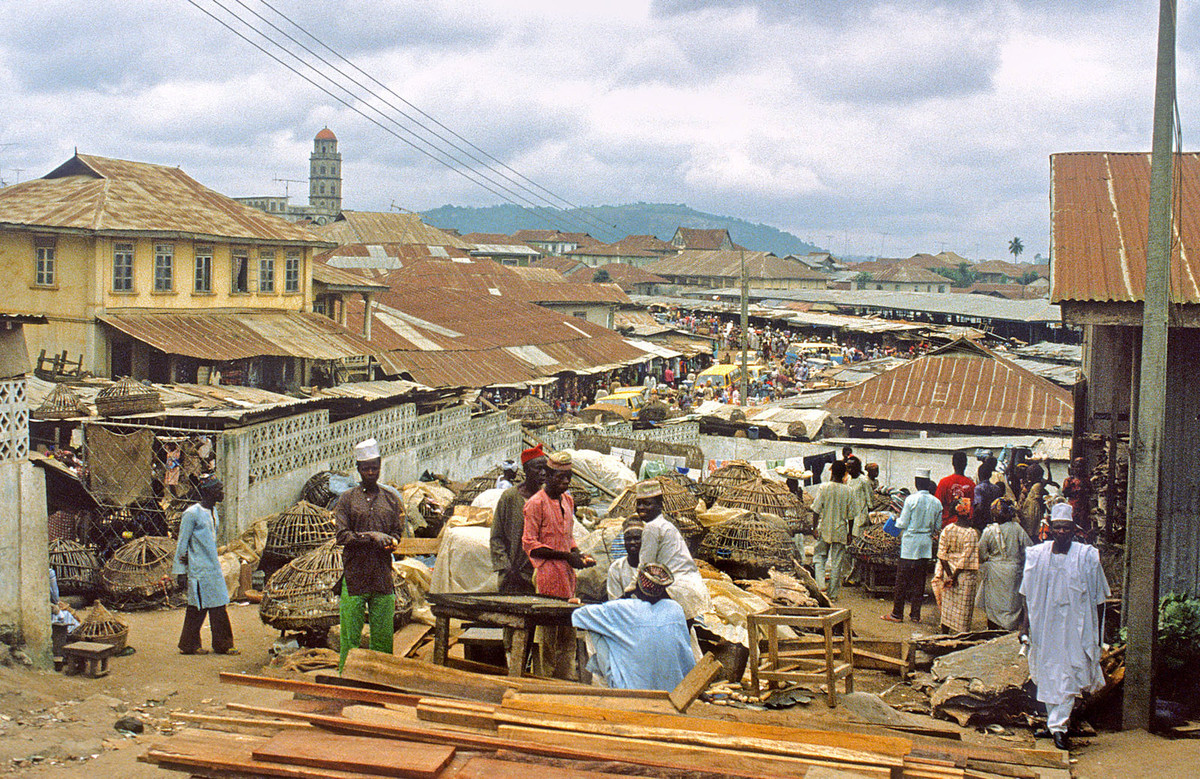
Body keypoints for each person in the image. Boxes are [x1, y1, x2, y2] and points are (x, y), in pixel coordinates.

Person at [1020, 504, 1110, 750]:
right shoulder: (1037, 555)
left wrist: (1098, 634)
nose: (1061, 532)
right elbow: (1027, 595)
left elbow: (1100, 599)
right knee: (1048, 675)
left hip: (1076, 628)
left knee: (1069, 674)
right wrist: (1024, 627)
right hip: (1045, 626)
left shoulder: (1087, 557)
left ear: (1073, 529)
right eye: (1057, 527)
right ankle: (1055, 724)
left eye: (1066, 528)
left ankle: (1059, 727)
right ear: (1050, 528)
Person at [522, 450, 595, 678]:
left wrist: (577, 554)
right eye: (560, 477)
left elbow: (567, 537)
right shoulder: (536, 504)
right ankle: (544, 680)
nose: (565, 482)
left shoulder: (568, 500)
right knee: (547, 636)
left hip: (567, 575)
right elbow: (530, 545)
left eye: (568, 477)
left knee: (567, 634)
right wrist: (565, 556)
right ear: (548, 475)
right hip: (547, 575)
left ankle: (565, 679)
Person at [334, 438, 404, 672]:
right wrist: (372, 536)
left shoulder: (391, 499)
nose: (371, 472)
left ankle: (380, 680)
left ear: (380, 466)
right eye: (366, 468)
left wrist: (391, 542)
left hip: (382, 577)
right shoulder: (347, 499)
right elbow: (342, 536)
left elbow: (397, 532)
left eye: (374, 467)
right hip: (354, 577)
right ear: (358, 469)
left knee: (383, 638)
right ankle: (347, 679)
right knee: (350, 638)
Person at [573, 563, 696, 690]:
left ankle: (610, 681)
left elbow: (579, 615)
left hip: (629, 688)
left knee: (598, 629)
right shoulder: (675, 609)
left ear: (637, 585)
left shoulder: (624, 607)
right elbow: (686, 655)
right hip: (673, 688)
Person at [173, 476, 238, 655]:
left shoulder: (213, 511)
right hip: (198, 570)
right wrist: (181, 572)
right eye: (219, 490)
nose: (222, 493)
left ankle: (222, 645)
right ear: (209, 492)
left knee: (218, 605)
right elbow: (182, 543)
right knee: (197, 607)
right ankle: (189, 645)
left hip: (213, 568)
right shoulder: (192, 514)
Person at [635, 480, 711, 620]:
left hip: (676, 590)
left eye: (647, 503)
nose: (641, 508)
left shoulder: (652, 528)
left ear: (659, 505)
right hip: (692, 588)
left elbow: (645, 568)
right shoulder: (665, 525)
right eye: (638, 503)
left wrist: (627, 593)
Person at [882, 468, 942, 624]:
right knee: (919, 581)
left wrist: (894, 520)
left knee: (902, 580)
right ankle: (915, 614)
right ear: (928, 483)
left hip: (910, 543)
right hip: (925, 544)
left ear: (916, 483)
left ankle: (897, 614)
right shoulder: (937, 503)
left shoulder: (911, 500)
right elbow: (937, 527)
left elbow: (903, 523)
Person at [490, 445, 546, 595]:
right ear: (526, 470)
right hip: (513, 575)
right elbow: (496, 536)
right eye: (538, 469)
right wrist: (505, 566)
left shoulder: (547, 499)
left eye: (545, 469)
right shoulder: (509, 498)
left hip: (539, 574)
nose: (543, 473)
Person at [977, 497, 1033, 630]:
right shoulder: (1017, 529)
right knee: (1011, 602)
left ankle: (993, 628)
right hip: (1014, 571)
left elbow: (981, 553)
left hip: (995, 572)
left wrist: (991, 559)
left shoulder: (989, 531)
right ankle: (1010, 627)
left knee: (994, 602)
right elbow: (1029, 548)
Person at [933, 500, 981, 634]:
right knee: (963, 609)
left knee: (948, 606)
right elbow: (966, 558)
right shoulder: (971, 533)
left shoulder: (948, 529)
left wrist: (949, 575)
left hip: (949, 570)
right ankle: (961, 637)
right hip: (964, 575)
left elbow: (942, 554)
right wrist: (954, 576)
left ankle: (944, 633)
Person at [811, 460, 854, 601]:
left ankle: (820, 586)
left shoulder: (824, 487)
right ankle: (833, 595)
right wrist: (850, 533)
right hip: (840, 530)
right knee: (837, 562)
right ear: (844, 474)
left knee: (819, 557)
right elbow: (851, 516)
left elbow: (816, 510)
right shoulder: (849, 491)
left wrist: (814, 527)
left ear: (832, 472)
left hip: (824, 528)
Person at [935, 452, 976, 529]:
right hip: (964, 527)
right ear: (966, 464)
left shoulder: (944, 482)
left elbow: (937, 505)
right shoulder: (971, 485)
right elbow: (972, 509)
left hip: (946, 526)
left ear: (953, 464)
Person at [607, 518, 644, 600]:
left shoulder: (653, 566)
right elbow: (614, 602)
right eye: (628, 539)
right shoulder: (616, 568)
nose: (632, 542)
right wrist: (629, 593)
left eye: (637, 538)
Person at [1019, 463, 1049, 541]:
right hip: (1029, 508)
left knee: (1031, 528)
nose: (1027, 476)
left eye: (1029, 474)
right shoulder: (1033, 484)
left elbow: (1039, 499)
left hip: (1032, 510)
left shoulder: (1037, 485)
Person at [1060, 458, 1091, 533]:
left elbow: (1091, 491)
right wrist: (1076, 492)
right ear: (1073, 468)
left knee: (1083, 528)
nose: (1079, 469)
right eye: (1077, 467)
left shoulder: (1087, 480)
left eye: (1081, 467)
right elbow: (1065, 493)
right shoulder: (1069, 480)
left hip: (1084, 508)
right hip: (1073, 507)